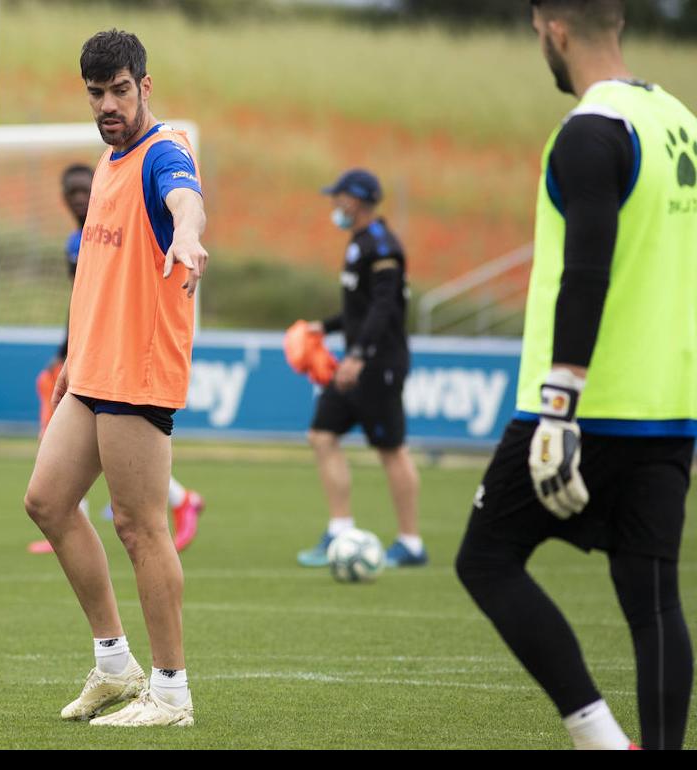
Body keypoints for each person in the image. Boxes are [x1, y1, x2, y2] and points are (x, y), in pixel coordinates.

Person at [456, 0, 697, 750]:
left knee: (487, 558)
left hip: (583, 406)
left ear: (554, 28)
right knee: (653, 596)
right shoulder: (681, 122)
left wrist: (558, 407)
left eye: (537, 33)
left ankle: (599, 739)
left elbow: (586, 271)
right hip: (670, 405)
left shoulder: (590, 131)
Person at [23, 28, 208, 727]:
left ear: (145, 86)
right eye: (97, 92)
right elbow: (100, 278)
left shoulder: (163, 152)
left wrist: (187, 231)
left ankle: (171, 693)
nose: (108, 103)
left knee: (139, 527)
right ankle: (113, 664)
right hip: (94, 371)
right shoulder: (108, 161)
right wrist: (72, 364)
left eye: (120, 90)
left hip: (139, 372)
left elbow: (184, 198)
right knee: (46, 502)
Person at [29, 163, 205, 555]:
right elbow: (81, 302)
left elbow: (187, 201)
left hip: (123, 357)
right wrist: (69, 352)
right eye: (70, 190)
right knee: (68, 475)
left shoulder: (120, 220)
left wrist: (188, 231)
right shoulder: (79, 240)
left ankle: (178, 501)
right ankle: (76, 514)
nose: (77, 196)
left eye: (81, 188)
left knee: (136, 518)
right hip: (89, 354)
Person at [295, 168, 426, 569]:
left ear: (355, 200)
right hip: (356, 361)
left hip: (377, 364)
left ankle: (410, 543)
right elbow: (361, 307)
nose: (334, 204)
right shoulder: (361, 242)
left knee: (391, 450)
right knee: (322, 435)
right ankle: (340, 529)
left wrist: (358, 355)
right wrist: (327, 326)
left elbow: (386, 308)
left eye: (338, 197)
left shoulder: (383, 246)